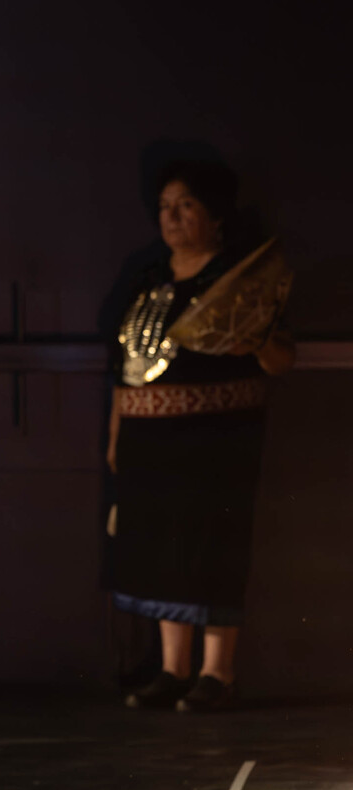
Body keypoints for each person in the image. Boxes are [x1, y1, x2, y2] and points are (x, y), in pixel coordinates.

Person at [106, 159, 294, 712]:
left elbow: (281, 357)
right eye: (165, 206)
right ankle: (172, 669)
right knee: (161, 549)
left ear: (214, 215)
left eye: (185, 204)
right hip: (148, 442)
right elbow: (123, 370)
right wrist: (116, 437)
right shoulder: (147, 277)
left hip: (216, 441)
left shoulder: (239, 278)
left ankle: (217, 672)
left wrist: (257, 343)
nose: (172, 216)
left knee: (213, 547)